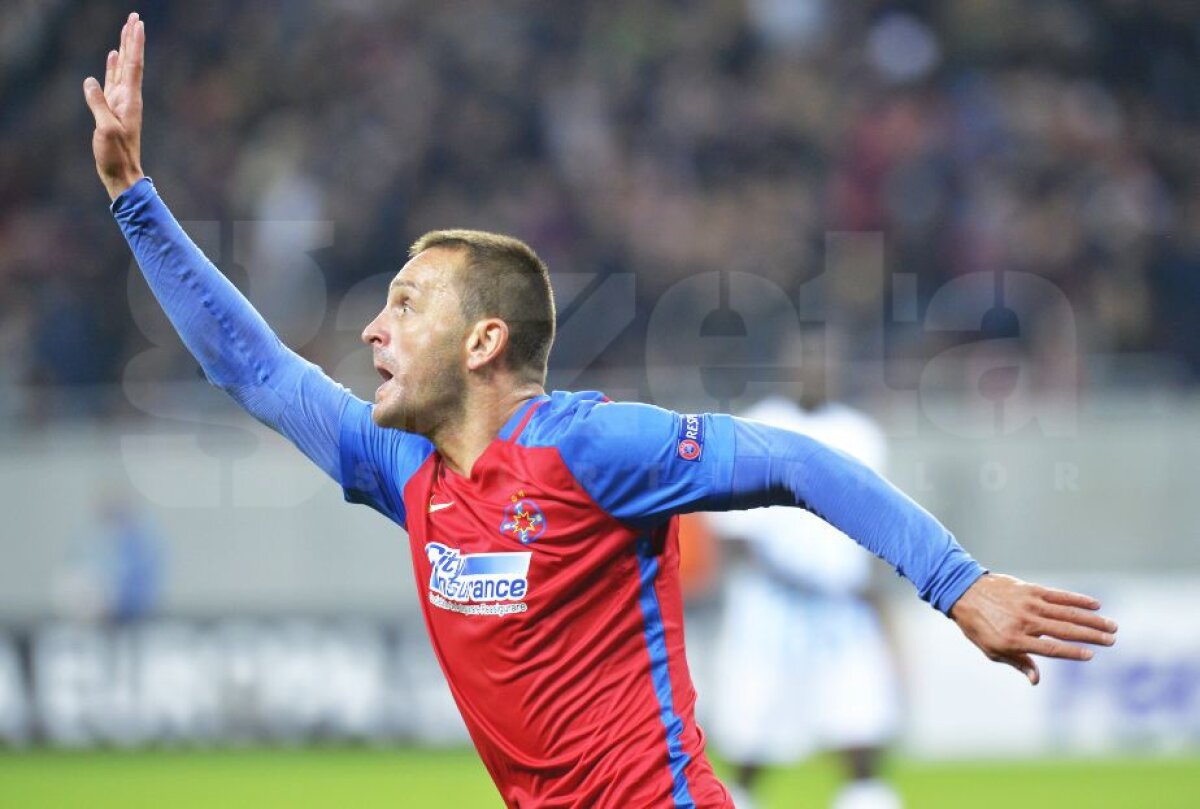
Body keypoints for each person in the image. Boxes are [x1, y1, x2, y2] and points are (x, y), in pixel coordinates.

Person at [82, 14, 1117, 808]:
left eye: (406, 303)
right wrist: (134, 195)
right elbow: (257, 372)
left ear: (484, 341)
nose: (372, 330)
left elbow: (796, 459)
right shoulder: (405, 470)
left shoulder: (588, 447)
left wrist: (958, 582)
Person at [709, 332, 902, 809]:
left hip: (842, 608)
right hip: (769, 608)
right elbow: (734, 534)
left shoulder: (860, 434)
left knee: (859, 727)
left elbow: (879, 521)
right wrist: (796, 578)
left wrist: (872, 591)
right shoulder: (756, 426)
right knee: (750, 736)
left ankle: (864, 798)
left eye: (825, 362)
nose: (816, 371)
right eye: (806, 361)